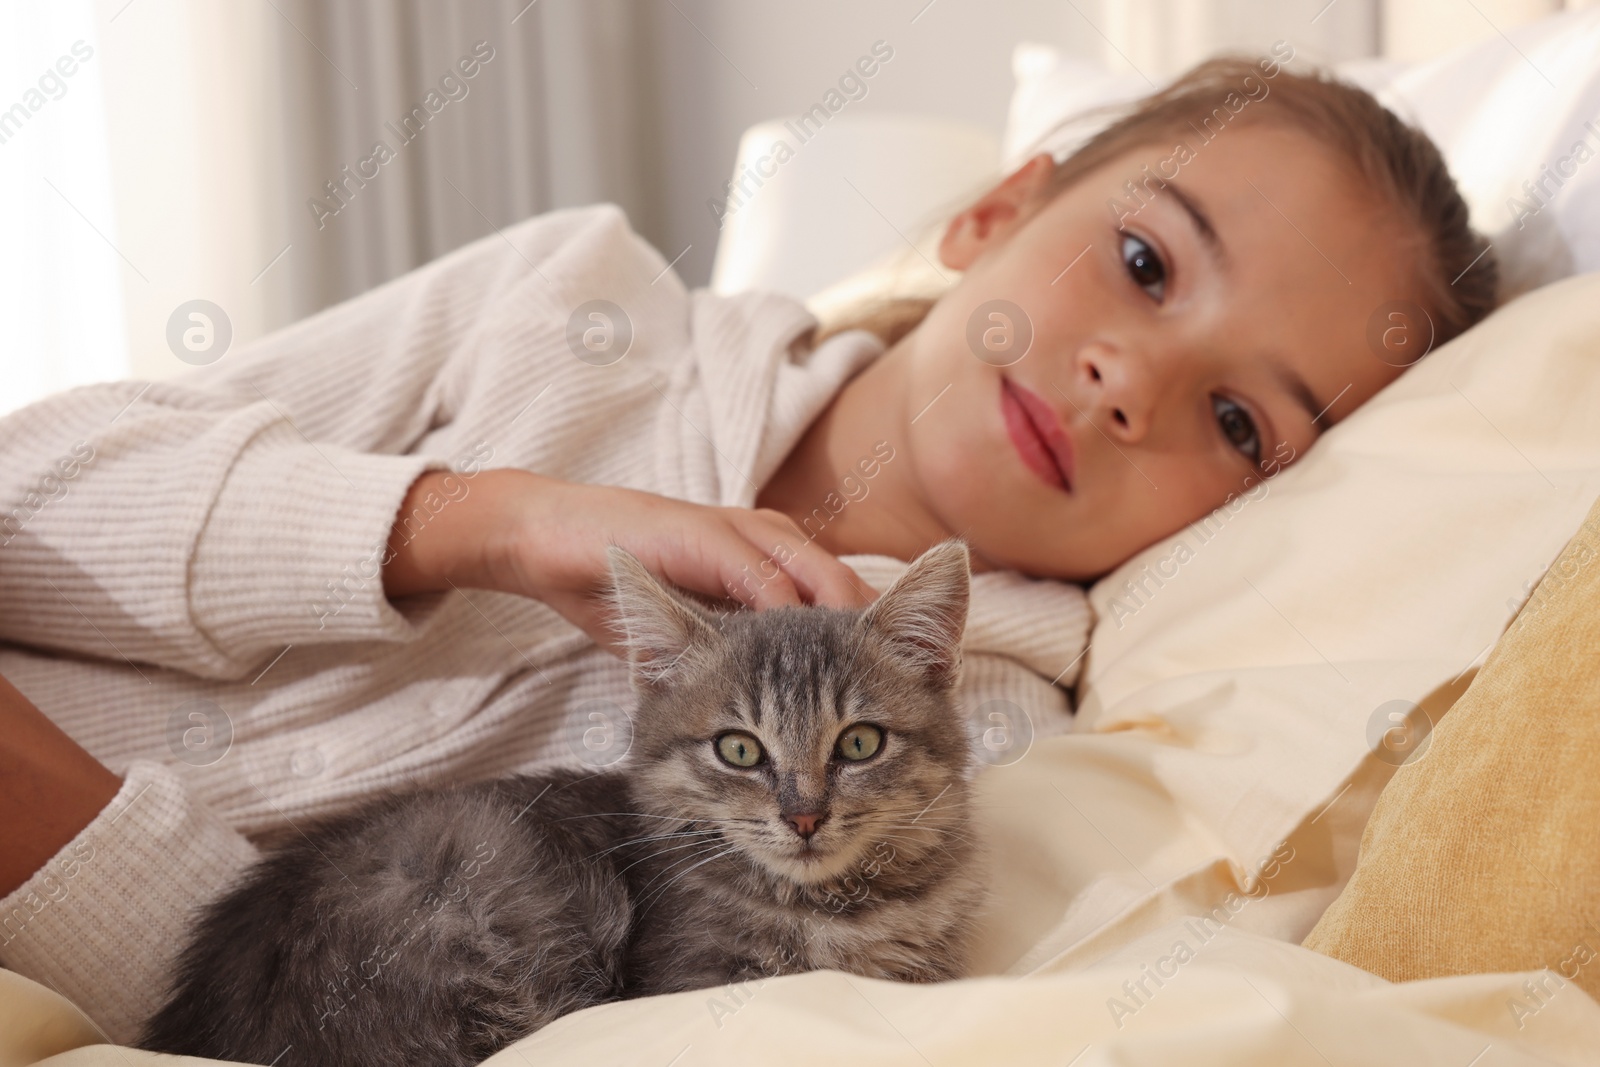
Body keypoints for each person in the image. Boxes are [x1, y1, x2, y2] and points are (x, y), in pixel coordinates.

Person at [0, 56, 1495, 1040]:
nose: (1131, 384)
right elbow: (26, 494)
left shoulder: (1000, 736)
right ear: (995, 211)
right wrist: (480, 521)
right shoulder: (574, 302)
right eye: (1147, 262)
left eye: (1239, 423)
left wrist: (69, 847)